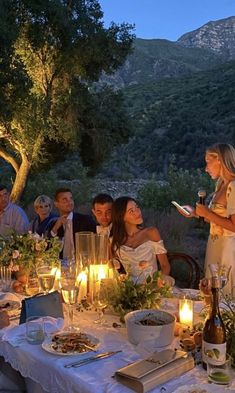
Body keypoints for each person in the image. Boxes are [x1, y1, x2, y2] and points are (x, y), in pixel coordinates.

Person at [177, 143, 235, 296]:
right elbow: (218, 219)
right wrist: (195, 213)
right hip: (215, 244)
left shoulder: (233, 187)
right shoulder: (221, 184)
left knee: (223, 293)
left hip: (228, 249)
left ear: (220, 161)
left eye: (208, 162)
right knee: (211, 291)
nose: (206, 168)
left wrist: (207, 213)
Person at [111, 196, 170, 283]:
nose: (138, 212)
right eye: (131, 211)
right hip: (130, 290)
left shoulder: (151, 233)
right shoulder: (114, 241)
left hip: (152, 288)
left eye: (137, 207)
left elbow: (165, 266)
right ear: (121, 217)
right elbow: (112, 269)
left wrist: (157, 285)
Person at [50, 188, 96, 260]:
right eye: (65, 199)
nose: (69, 202)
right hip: (61, 265)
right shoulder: (53, 224)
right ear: (56, 204)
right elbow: (48, 247)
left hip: (81, 264)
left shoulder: (86, 220)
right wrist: (55, 228)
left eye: (71, 199)